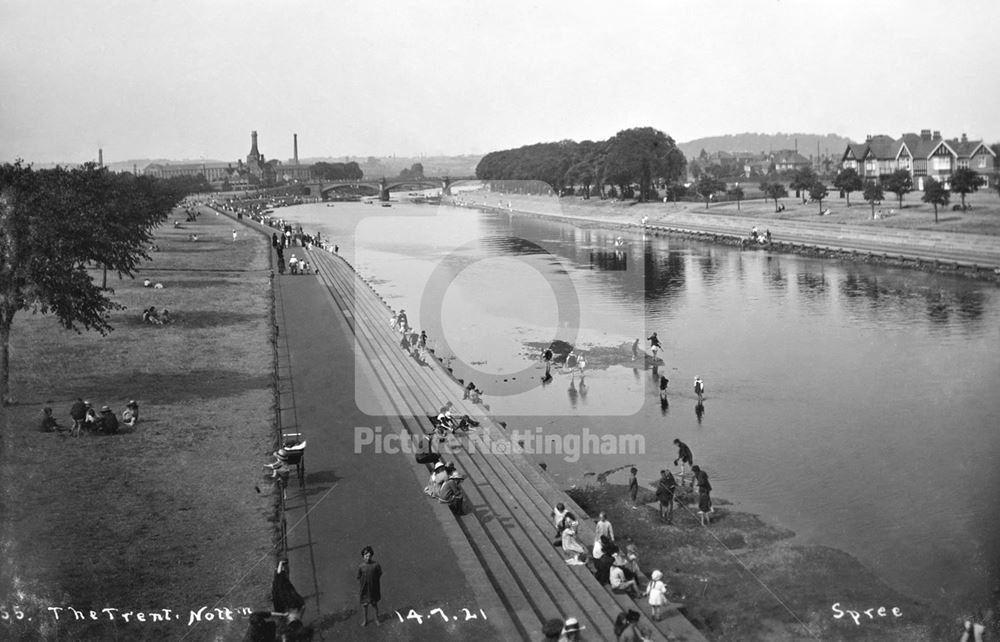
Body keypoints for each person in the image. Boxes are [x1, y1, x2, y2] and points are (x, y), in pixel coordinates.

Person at [357, 546, 382, 627]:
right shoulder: (361, 566)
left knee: (374, 605)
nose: (367, 558)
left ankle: (376, 619)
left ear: (372, 556)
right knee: (365, 605)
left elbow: (379, 573)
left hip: (373, 589)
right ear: (363, 556)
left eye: (369, 556)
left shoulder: (376, 565)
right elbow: (358, 576)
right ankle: (365, 620)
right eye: (366, 556)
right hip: (364, 589)